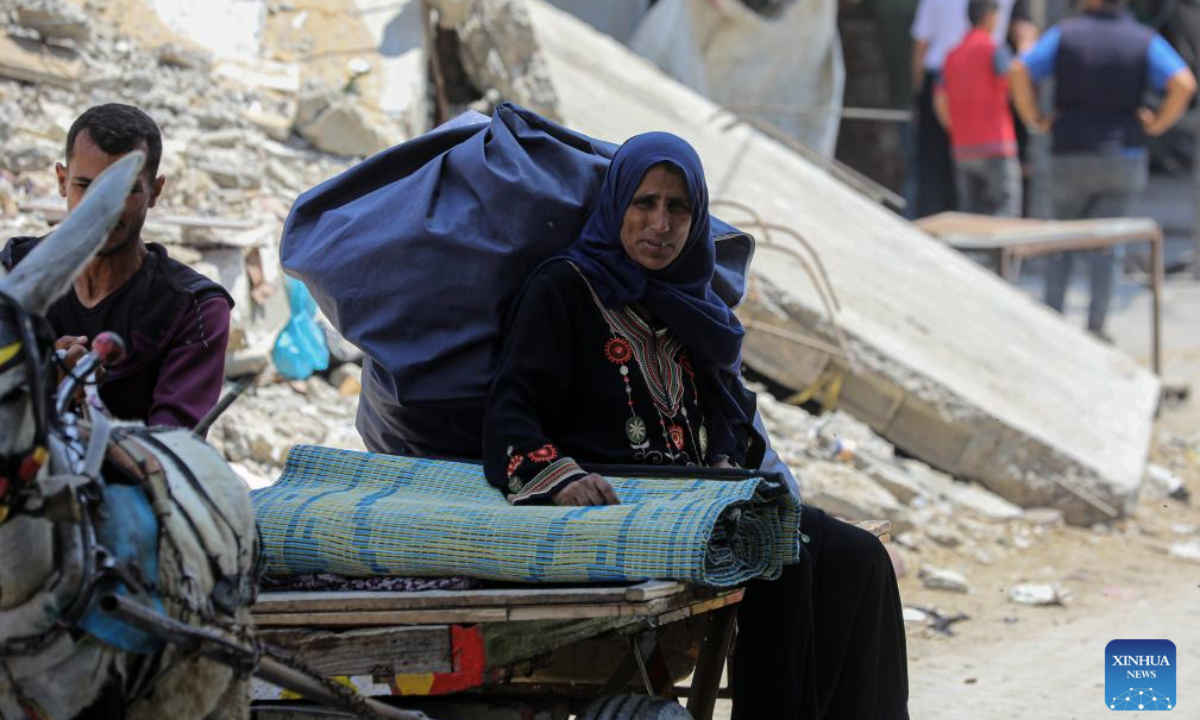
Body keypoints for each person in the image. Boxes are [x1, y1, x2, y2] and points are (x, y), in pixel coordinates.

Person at [483, 132, 909, 719]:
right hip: (620, 501)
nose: (660, 224)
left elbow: (726, 413)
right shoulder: (564, 288)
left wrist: (729, 463)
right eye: (644, 203)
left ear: (697, 214)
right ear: (616, 207)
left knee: (862, 557)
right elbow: (512, 408)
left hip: (701, 501)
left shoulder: (691, 301)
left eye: (678, 207)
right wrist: (560, 478)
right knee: (784, 557)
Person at [1, 103, 233, 429]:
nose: (104, 209)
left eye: (124, 191)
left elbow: (171, 450)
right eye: (85, 186)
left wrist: (88, 400)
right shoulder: (12, 272)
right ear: (62, 180)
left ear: (155, 191)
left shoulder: (193, 310)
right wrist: (36, 376)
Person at [1010, 0, 1196, 338]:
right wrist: (1157, 126)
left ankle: (1053, 320)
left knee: (1061, 240)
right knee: (1108, 245)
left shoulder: (1064, 35)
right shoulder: (1143, 38)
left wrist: (1034, 119)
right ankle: (1097, 326)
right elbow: (1183, 83)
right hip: (1122, 155)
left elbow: (1020, 70)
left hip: (1069, 153)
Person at [911, 0, 1032, 217]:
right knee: (1004, 212)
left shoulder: (952, 55)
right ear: (989, 16)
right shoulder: (994, 50)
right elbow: (1016, 83)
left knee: (968, 213)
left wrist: (955, 129)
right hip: (996, 145)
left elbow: (940, 99)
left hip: (963, 148)